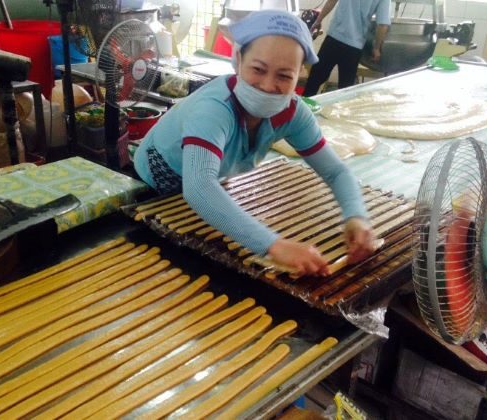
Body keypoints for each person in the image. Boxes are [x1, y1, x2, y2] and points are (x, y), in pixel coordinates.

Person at [133, 9, 376, 276]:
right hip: (157, 182)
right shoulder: (214, 109)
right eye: (258, 69)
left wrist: (356, 216)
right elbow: (199, 187)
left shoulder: (293, 114)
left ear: (300, 75)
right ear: (237, 60)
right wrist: (273, 245)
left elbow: (335, 171)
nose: (268, 85)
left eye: (284, 75)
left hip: (209, 180)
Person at [303, 0, 391, 96]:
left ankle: (302, 108)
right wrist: (376, 48)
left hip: (333, 38)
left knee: (314, 80)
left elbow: (331, 1)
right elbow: (382, 25)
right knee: (345, 90)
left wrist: (318, 21)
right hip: (354, 46)